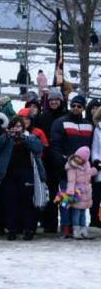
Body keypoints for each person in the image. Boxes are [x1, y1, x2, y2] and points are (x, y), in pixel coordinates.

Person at [0, 117, 45, 240]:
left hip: (27, 174)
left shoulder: (29, 137)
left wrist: (24, 138)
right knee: (10, 203)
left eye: (19, 126)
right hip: (9, 175)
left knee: (27, 203)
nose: (16, 129)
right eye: (14, 126)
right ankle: (12, 230)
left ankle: (29, 229)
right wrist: (6, 136)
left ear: (23, 128)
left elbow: (39, 148)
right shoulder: (6, 138)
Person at [49, 95, 93, 236]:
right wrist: (63, 164)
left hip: (83, 170)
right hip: (66, 168)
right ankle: (65, 227)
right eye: (73, 105)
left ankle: (78, 227)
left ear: (83, 108)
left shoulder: (88, 125)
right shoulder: (60, 122)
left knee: (80, 200)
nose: (75, 108)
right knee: (66, 199)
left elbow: (90, 147)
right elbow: (55, 147)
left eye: (79, 106)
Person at [59, 146, 92, 239]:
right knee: (76, 212)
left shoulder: (87, 165)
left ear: (85, 159)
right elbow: (71, 180)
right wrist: (70, 192)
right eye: (77, 156)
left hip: (85, 193)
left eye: (80, 158)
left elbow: (88, 176)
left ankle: (83, 229)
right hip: (76, 193)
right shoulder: (72, 166)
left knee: (83, 212)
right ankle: (76, 229)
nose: (78, 159)